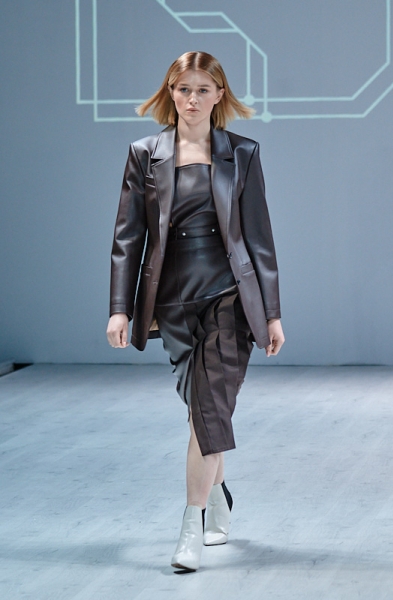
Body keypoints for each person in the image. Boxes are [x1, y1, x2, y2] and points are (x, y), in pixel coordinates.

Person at [106, 51, 285, 572]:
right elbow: (127, 238)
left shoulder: (242, 153)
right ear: (171, 92)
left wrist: (272, 313)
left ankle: (191, 525)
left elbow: (259, 239)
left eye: (203, 89)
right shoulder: (145, 154)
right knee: (202, 412)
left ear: (219, 95)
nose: (192, 99)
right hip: (172, 305)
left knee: (208, 410)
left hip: (229, 298)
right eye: (183, 88)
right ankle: (220, 496)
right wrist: (120, 309)